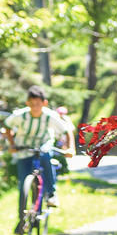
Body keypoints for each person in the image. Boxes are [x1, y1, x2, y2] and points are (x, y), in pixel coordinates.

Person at [3, 84, 75, 214]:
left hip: (43, 145)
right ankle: (22, 219)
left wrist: (71, 149)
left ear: (44, 103)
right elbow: (7, 125)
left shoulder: (50, 116)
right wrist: (12, 144)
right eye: (32, 103)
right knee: (23, 185)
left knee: (46, 157)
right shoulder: (20, 115)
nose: (35, 107)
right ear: (27, 103)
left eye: (38, 103)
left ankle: (51, 194)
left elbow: (67, 131)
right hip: (24, 148)